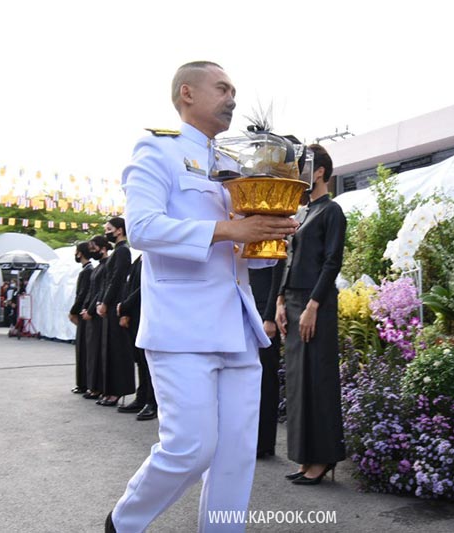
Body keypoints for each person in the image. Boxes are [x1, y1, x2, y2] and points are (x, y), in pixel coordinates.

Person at [107, 61, 298, 533]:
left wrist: (266, 240)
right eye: (223, 88)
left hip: (236, 326)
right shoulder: (158, 150)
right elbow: (142, 229)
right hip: (182, 327)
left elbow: (239, 257)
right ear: (187, 93)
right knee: (190, 448)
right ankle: (124, 523)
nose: (233, 97)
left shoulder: (237, 165)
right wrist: (233, 227)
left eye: (235, 90)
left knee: (235, 455)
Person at [275, 143, 347, 485]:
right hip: (292, 302)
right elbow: (287, 259)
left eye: (305, 167)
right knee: (298, 383)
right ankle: (306, 457)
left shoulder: (332, 212)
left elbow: (332, 262)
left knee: (318, 380)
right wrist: (279, 301)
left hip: (315, 303)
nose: (300, 173)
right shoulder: (302, 213)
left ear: (319, 172)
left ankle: (324, 459)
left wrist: (313, 306)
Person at [95, 217, 136, 407]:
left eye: (109, 229)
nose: (107, 232)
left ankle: (118, 391)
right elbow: (107, 280)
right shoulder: (116, 252)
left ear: (119, 230)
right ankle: (109, 389)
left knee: (118, 350)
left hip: (116, 304)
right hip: (109, 305)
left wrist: (107, 301)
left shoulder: (123, 251)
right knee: (109, 349)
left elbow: (117, 279)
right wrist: (101, 301)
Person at [116, 254, 157, 421]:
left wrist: (125, 306)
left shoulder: (152, 257)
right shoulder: (139, 258)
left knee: (149, 362)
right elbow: (128, 286)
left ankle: (152, 402)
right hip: (135, 314)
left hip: (146, 312)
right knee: (140, 359)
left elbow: (144, 287)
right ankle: (142, 397)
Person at [249, 265, 282, 458]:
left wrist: (270, 316)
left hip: (264, 313)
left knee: (266, 377)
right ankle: (252, 440)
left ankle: (264, 442)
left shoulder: (273, 235)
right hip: (247, 308)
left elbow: (278, 274)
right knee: (249, 379)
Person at [80, 235, 111, 400]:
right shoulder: (98, 267)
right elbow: (91, 291)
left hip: (97, 313)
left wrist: (91, 310)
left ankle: (98, 387)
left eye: (94, 248)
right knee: (91, 351)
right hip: (91, 311)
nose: (91, 251)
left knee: (98, 352)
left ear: (102, 248)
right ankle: (92, 386)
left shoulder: (106, 266)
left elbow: (101, 291)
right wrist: (85, 308)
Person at [69, 242, 94, 394]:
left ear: (80, 253)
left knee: (83, 350)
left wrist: (73, 311)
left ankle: (83, 383)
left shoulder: (87, 271)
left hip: (83, 311)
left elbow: (82, 294)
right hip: (83, 310)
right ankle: (83, 383)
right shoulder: (87, 269)